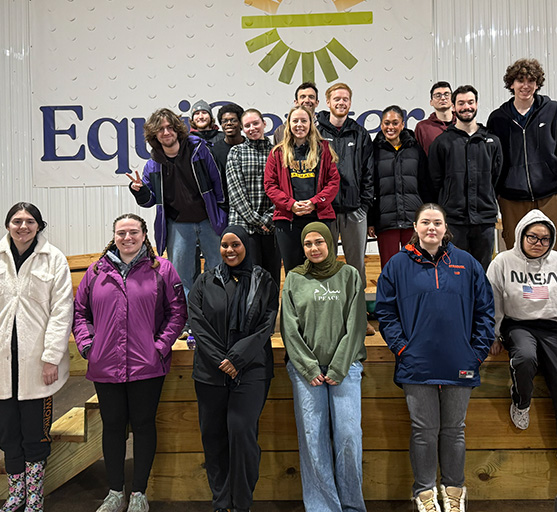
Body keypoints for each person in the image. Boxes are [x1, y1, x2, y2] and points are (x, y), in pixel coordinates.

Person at [375, 204, 494, 512]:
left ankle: (454, 492)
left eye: (437, 222)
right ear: (415, 227)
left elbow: (485, 311)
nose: (431, 227)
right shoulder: (397, 266)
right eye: (425, 222)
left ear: (445, 228)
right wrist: (402, 348)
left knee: (454, 430)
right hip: (417, 362)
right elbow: (385, 312)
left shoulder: (467, 263)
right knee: (424, 432)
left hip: (460, 362)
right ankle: (425, 493)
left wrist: (477, 352)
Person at [0, 202, 74, 512]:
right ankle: (16, 496)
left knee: (35, 435)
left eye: (29, 221)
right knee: (8, 434)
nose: (23, 226)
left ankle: (34, 497)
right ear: (7, 225)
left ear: (39, 225)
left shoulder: (54, 260)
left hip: (38, 365)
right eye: (16, 221)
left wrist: (52, 356)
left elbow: (61, 311)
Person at [73, 214, 187, 512]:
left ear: (144, 234)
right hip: (105, 364)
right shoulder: (97, 271)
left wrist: (159, 346)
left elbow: (177, 312)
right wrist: (87, 345)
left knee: (144, 425)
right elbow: (80, 311)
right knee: (112, 426)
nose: (127, 238)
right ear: (114, 235)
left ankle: (138, 493)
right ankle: (114, 492)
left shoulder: (161, 269)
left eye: (133, 232)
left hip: (147, 365)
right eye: (121, 232)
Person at [486, 209, 557, 482]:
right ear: (521, 235)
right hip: (518, 324)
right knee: (525, 359)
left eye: (544, 239)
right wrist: (493, 335)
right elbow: (492, 300)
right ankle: (521, 401)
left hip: (554, 328)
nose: (538, 243)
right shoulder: (503, 262)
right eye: (532, 237)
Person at [188, 226, 279, 512]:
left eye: (236, 244)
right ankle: (221, 501)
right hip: (210, 372)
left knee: (241, 432)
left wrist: (237, 358)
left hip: (251, 370)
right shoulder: (205, 282)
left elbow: (267, 323)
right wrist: (220, 360)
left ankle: (241, 503)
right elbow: (198, 324)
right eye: (225, 245)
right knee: (213, 437)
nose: (230, 250)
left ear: (246, 246)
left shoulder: (264, 281)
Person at [281, 222, 368, 512]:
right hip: (307, 373)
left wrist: (338, 367)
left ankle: (352, 506)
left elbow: (356, 324)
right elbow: (289, 328)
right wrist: (308, 367)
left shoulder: (349, 275)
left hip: (345, 368)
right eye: (308, 244)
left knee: (348, 436)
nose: (314, 248)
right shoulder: (294, 278)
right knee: (313, 438)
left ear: (331, 243)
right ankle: (322, 507)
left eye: (319, 242)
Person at [128, 108, 227, 296]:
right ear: (154, 135)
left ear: (177, 129)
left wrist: (221, 213)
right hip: (178, 225)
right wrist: (140, 191)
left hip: (209, 221)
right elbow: (150, 201)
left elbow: (217, 181)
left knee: (218, 272)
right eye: (161, 129)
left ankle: (215, 318)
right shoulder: (152, 164)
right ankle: (188, 322)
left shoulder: (199, 150)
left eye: (170, 127)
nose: (166, 132)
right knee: (181, 278)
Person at [486, 59, 557, 258]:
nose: (525, 85)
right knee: (516, 254)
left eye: (531, 80)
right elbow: (494, 162)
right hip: (511, 199)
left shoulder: (554, 111)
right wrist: (498, 193)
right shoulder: (498, 118)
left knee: (556, 252)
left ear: (537, 83)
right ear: (511, 84)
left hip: (550, 195)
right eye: (520, 80)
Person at [428, 85, 502, 271]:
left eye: (470, 102)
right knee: (454, 271)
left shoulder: (491, 141)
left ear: (476, 104)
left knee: (481, 271)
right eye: (460, 103)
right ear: (453, 107)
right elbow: (435, 181)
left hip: (484, 219)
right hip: (454, 220)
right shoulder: (442, 142)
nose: (466, 107)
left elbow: (497, 177)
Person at [263, 105, 340, 274]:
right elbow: (270, 185)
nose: (300, 125)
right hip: (288, 220)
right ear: (288, 124)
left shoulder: (323, 149)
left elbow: (333, 182)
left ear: (311, 124)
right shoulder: (277, 153)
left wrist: (314, 203)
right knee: (294, 270)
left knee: (321, 268)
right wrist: (290, 204)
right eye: (295, 121)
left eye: (304, 121)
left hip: (318, 216)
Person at [316, 83, 373, 303]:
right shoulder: (316, 132)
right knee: (324, 264)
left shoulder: (359, 133)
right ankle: (327, 314)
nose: (341, 102)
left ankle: (358, 315)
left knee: (356, 266)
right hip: (324, 211)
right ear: (328, 102)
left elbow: (369, 173)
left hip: (354, 211)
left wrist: (364, 205)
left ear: (350, 103)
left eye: (346, 99)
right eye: (337, 99)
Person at [369, 105, 431, 268]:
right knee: (390, 268)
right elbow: (369, 187)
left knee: (415, 267)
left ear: (403, 124)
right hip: (385, 220)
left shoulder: (415, 149)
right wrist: (371, 220)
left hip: (413, 219)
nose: (390, 127)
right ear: (381, 125)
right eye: (386, 123)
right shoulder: (373, 151)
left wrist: (428, 215)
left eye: (395, 123)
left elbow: (425, 184)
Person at [226, 108, 282, 283]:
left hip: (271, 225)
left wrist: (269, 217)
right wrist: (257, 220)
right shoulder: (236, 152)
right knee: (248, 280)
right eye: (247, 125)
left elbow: (283, 189)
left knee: (271, 279)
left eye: (255, 123)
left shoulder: (278, 153)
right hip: (244, 227)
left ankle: (271, 311)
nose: (252, 128)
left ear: (264, 124)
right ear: (242, 129)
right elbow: (235, 192)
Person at [210, 102, 246, 216]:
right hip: (224, 209)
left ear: (241, 124)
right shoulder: (214, 151)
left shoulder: (250, 147)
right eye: (225, 121)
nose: (229, 123)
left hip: (250, 207)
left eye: (233, 120)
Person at [414, 81, 454, 154]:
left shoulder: (462, 124)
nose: (443, 98)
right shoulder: (422, 127)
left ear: (452, 99)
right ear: (431, 102)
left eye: (446, 94)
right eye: (438, 95)